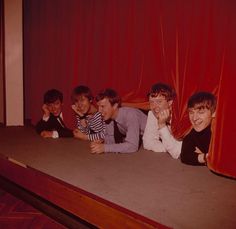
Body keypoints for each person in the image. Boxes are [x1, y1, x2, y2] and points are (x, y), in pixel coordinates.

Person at [90, 88, 147, 154]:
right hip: (143, 138)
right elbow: (111, 142)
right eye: (98, 106)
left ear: (115, 106)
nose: (99, 111)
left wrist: (104, 148)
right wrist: (101, 142)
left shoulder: (130, 115)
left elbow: (133, 146)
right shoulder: (108, 117)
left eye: (102, 106)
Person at [142, 83, 181, 159]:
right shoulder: (152, 114)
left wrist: (162, 125)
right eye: (152, 102)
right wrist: (168, 147)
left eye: (159, 102)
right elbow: (147, 142)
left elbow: (177, 152)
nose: (154, 107)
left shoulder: (179, 117)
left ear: (170, 102)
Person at [180, 92, 216, 165]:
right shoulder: (192, 133)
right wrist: (205, 157)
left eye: (201, 112)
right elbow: (185, 156)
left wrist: (202, 157)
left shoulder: (220, 132)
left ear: (214, 113)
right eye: (191, 112)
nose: (194, 118)